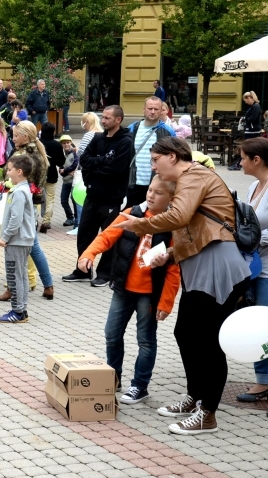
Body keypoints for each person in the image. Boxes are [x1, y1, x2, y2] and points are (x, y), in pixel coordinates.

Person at [114, 137, 250, 434]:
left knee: (210, 343)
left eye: (155, 160)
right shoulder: (190, 180)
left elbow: (179, 217)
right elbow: (193, 230)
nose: (153, 167)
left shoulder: (195, 176)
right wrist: (171, 255)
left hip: (216, 266)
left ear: (173, 157)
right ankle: (194, 396)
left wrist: (136, 224)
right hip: (199, 263)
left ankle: (208, 415)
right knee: (186, 333)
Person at [79, 175, 180, 405]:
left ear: (172, 198)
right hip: (123, 288)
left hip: (149, 294)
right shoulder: (133, 213)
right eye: (150, 190)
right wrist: (88, 254)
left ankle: (139, 386)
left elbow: (174, 270)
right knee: (112, 334)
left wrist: (166, 302)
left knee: (145, 340)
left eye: (159, 193)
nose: (152, 195)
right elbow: (107, 236)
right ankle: (113, 378)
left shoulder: (173, 225)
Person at [63, 106, 132, 286]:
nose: (103, 120)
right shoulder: (97, 137)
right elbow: (84, 160)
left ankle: (105, 273)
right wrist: (102, 161)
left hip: (111, 197)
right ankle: (83, 269)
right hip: (92, 195)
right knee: (84, 234)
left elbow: (115, 169)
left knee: (108, 236)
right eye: (103, 117)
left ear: (118, 120)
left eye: (108, 118)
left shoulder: (125, 142)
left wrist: (96, 165)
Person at [0, 121, 54, 300]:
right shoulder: (39, 151)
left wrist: (1, 179)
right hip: (34, 202)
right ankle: (48, 285)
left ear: (25, 136)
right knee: (34, 246)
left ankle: (12, 288)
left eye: (15, 135)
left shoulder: (21, 155)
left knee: (13, 244)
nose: (13, 138)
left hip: (19, 199)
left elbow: (8, 175)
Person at [236, 137, 268, 405]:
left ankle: (263, 382)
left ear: (256, 160)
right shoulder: (253, 187)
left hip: (267, 268)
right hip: (254, 266)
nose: (240, 162)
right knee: (259, 325)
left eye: (243, 157)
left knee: (263, 326)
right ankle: (263, 378)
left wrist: (252, 237)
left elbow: (255, 230)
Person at [0, 154, 38, 323]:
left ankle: (18, 311)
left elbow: (16, 219)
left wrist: (5, 237)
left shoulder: (20, 192)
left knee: (14, 276)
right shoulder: (22, 189)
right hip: (21, 240)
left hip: (17, 240)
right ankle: (21, 309)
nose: (7, 173)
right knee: (20, 275)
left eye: (10, 169)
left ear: (19, 172)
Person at [126, 97, 174, 207]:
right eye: (150, 108)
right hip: (133, 183)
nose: (152, 112)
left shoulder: (168, 131)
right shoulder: (132, 128)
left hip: (158, 184)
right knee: (132, 215)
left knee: (153, 218)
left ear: (161, 110)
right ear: (144, 109)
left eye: (156, 109)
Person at [39, 122, 66, 233]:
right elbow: (61, 162)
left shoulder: (38, 143)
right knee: (50, 199)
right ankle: (46, 221)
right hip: (51, 174)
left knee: (37, 198)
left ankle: (35, 220)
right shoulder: (56, 145)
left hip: (38, 175)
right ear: (53, 132)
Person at [229, 91, 264, 171]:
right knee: (248, 148)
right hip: (250, 130)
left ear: (249, 98)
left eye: (246, 100)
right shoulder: (252, 107)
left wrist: (245, 119)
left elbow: (253, 118)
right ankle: (239, 164)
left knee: (247, 148)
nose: (246, 102)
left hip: (252, 131)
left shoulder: (256, 106)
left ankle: (239, 164)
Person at [58, 135, 79, 229]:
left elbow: (75, 164)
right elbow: (60, 167)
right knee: (63, 200)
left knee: (74, 200)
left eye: (67, 142)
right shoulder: (62, 154)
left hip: (74, 181)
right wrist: (63, 171)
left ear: (71, 142)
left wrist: (64, 171)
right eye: (64, 143)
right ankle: (70, 217)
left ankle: (77, 219)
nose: (66, 144)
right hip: (66, 180)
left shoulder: (74, 152)